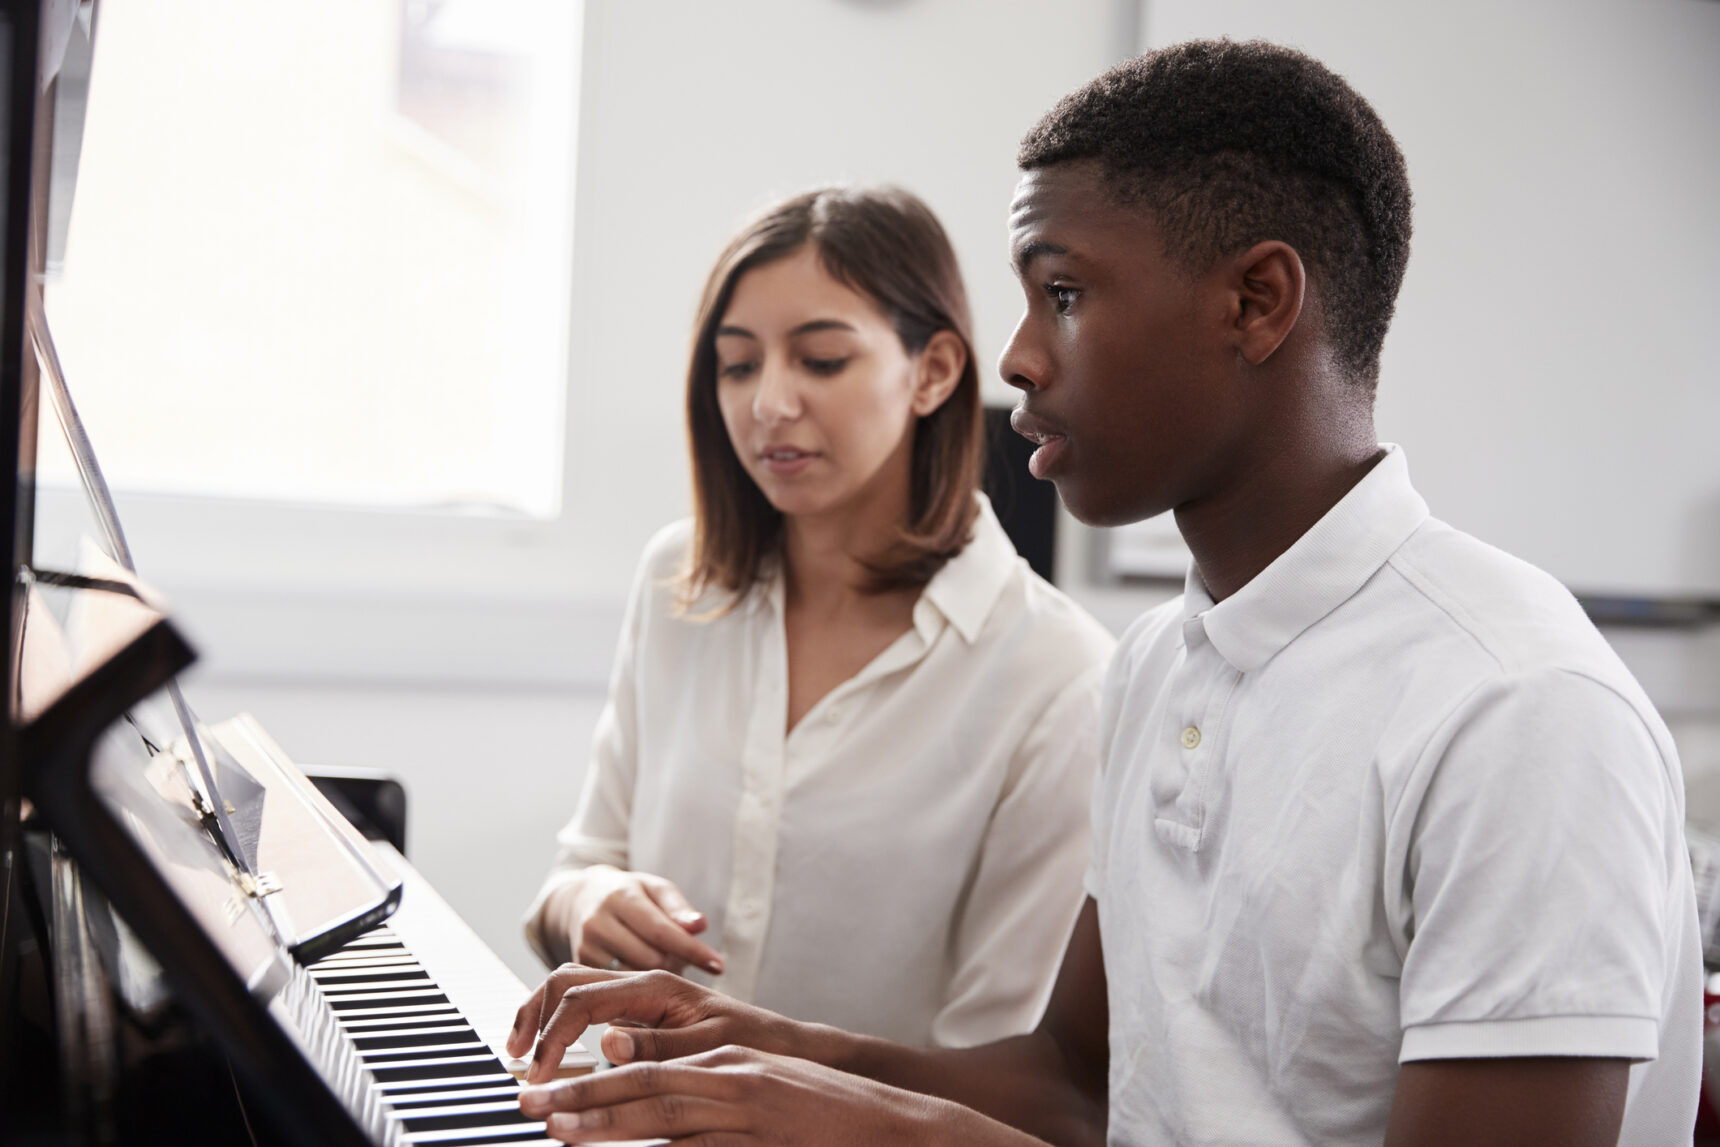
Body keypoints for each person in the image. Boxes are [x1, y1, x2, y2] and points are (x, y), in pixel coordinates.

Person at [504, 39, 1703, 1147]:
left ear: (1256, 303)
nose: (1017, 356)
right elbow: (1078, 1082)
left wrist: (865, 1124)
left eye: (1062, 294)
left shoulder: (1517, 710)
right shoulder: (1160, 666)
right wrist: (760, 1048)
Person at [520, 186, 1116, 1050]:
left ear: (935, 371)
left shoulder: (1058, 678)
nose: (768, 404)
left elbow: (998, 1078)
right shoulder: (678, 584)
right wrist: (588, 903)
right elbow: (573, 874)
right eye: (737, 365)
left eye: (822, 360)